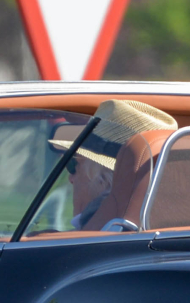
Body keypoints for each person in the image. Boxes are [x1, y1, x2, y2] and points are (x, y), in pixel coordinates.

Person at [55, 97, 177, 230]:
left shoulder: (95, 234)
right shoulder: (181, 225)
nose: (71, 178)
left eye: (73, 166)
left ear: (104, 179)